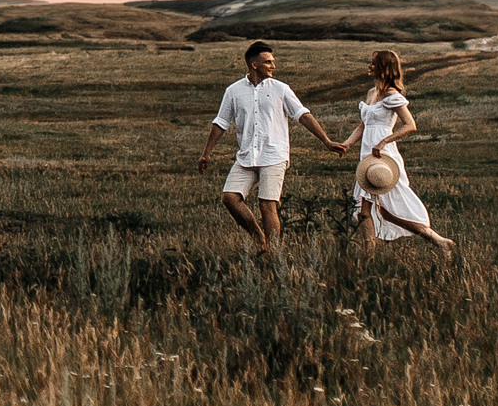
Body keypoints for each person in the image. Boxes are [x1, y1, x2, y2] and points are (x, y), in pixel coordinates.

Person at [194, 39, 349, 253]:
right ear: (254, 64)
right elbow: (221, 123)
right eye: (268, 62)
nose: (273, 66)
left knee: (267, 204)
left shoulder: (281, 89)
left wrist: (327, 141)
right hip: (247, 156)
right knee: (229, 198)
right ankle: (258, 236)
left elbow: (303, 115)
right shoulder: (233, 91)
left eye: (273, 61)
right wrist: (206, 154)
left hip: (274, 155)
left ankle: (274, 254)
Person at [350, 48, 454, 256]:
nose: (369, 66)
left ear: (383, 68)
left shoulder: (391, 95)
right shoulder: (372, 94)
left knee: (387, 209)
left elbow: (410, 125)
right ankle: (368, 253)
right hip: (367, 155)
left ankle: (438, 240)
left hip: (383, 156)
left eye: (373, 63)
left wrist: (383, 141)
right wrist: (346, 144)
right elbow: (363, 125)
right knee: (364, 208)